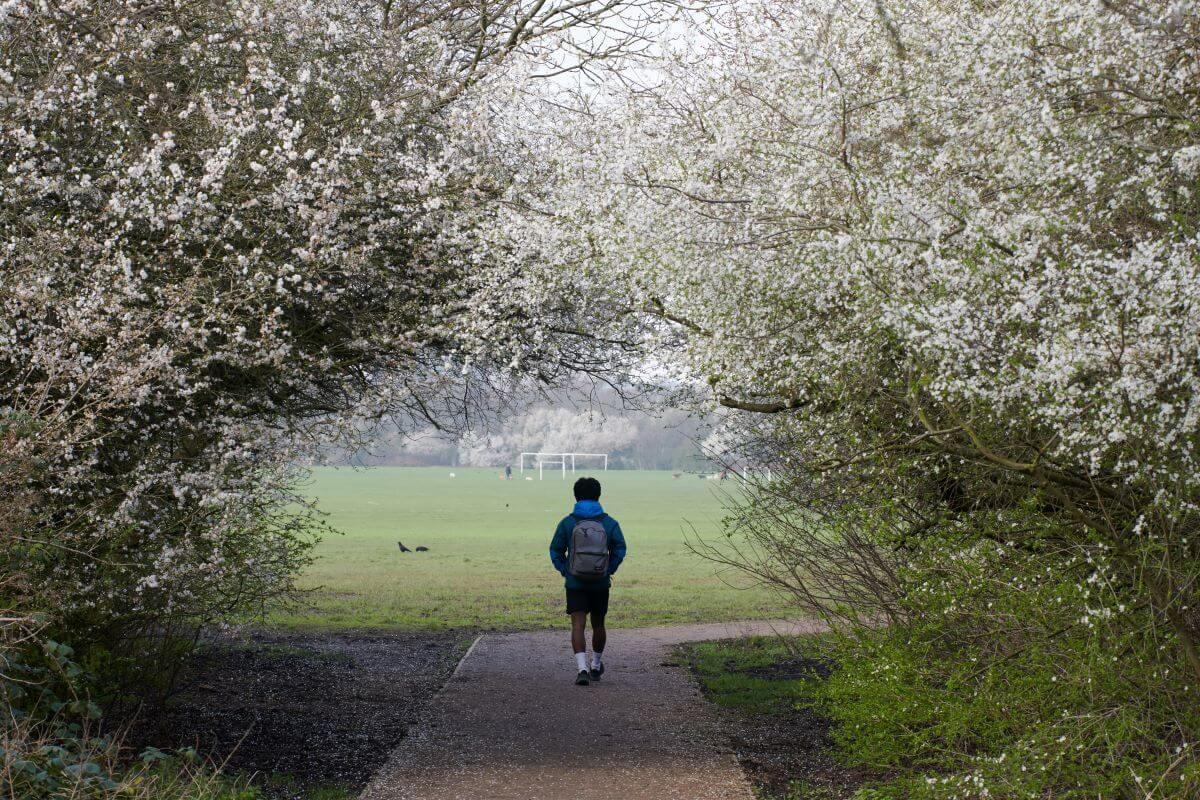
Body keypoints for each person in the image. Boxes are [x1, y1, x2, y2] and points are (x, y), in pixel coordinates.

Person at [549, 476, 627, 686]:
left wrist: (566, 571)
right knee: (599, 624)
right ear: (598, 495)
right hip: (600, 583)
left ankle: (581, 668)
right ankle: (595, 665)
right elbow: (620, 548)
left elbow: (555, 550)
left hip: (575, 584)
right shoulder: (610, 523)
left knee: (578, 625)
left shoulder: (567, 523)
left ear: (575, 496)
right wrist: (608, 569)